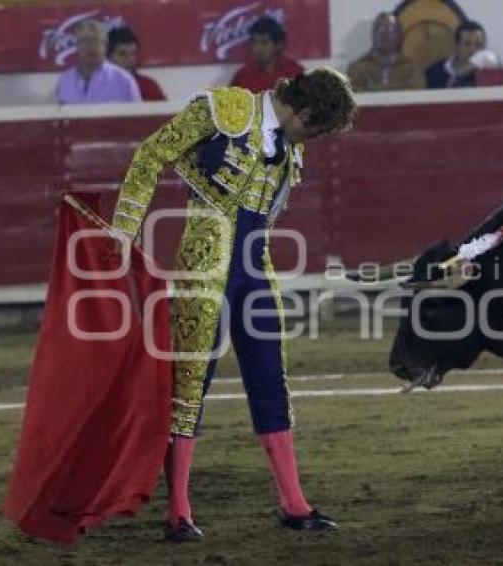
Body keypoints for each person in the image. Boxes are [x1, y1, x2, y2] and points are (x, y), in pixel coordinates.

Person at [110, 68, 356, 542]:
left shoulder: (289, 147)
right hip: (204, 267)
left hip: (255, 270)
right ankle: (179, 510)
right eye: (317, 128)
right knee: (189, 385)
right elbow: (152, 152)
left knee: (269, 380)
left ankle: (294, 502)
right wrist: (125, 225)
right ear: (303, 111)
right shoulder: (222, 110)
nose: (314, 139)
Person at [55, 19, 141, 105]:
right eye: (86, 40)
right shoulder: (65, 81)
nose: (92, 47)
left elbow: (137, 117)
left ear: (105, 45)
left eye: (97, 41)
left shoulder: (124, 80)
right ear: (77, 46)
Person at [347, 12, 424, 91]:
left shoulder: (412, 69)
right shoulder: (357, 69)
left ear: (400, 35)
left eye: (391, 29)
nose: (384, 34)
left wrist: (373, 89)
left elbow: (415, 96)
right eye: (380, 28)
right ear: (372, 34)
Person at [231, 16, 304, 92]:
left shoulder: (295, 72)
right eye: (254, 42)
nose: (257, 48)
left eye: (264, 43)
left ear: (279, 44)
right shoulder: (243, 76)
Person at [426, 21, 500, 89]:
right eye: (467, 44)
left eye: (478, 44)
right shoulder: (434, 72)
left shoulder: (489, 71)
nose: (473, 49)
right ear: (457, 45)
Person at [107, 25, 166, 101]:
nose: (129, 59)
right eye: (122, 54)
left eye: (133, 53)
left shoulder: (148, 86)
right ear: (109, 57)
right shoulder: (98, 87)